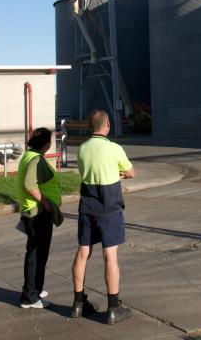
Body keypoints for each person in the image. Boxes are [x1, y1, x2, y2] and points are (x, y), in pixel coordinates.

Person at [72, 110, 135, 325]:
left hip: (87, 205)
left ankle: (78, 303)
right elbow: (131, 172)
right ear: (107, 124)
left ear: (90, 126)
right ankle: (113, 307)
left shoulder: (82, 149)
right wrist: (119, 174)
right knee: (110, 255)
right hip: (109, 206)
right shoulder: (114, 148)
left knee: (83, 252)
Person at [17, 127, 63, 309]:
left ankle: (34, 289)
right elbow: (29, 184)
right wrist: (45, 203)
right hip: (38, 213)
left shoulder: (29, 155)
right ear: (46, 143)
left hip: (33, 211)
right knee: (37, 255)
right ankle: (30, 297)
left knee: (36, 253)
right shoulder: (35, 159)